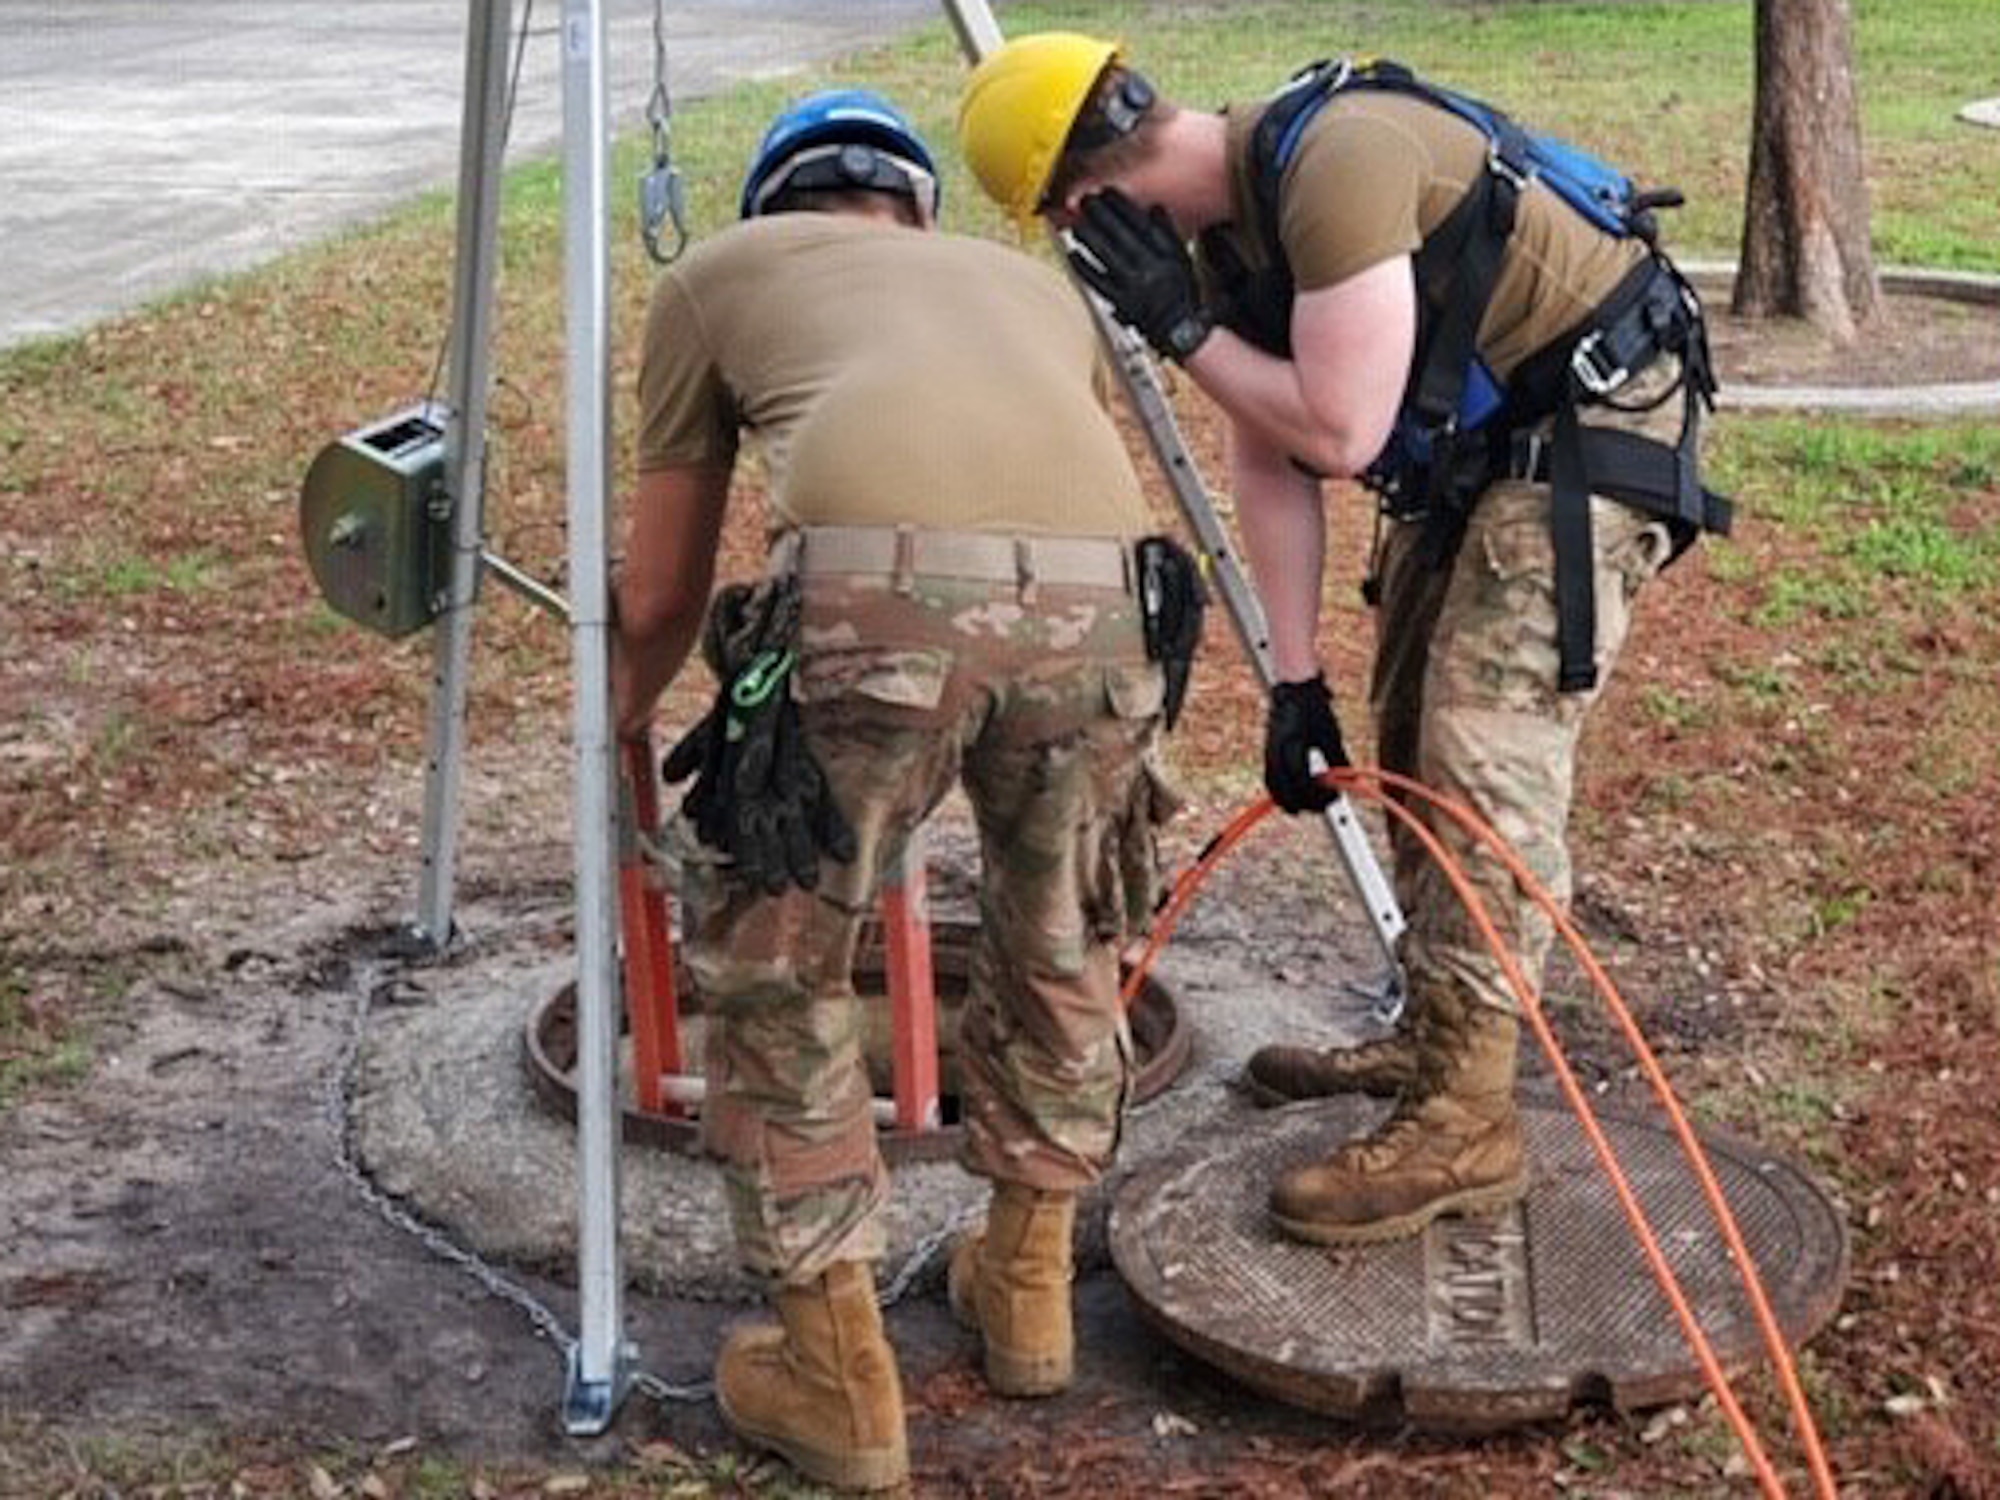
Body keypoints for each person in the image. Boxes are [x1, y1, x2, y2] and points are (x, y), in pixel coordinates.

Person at [958, 36, 1725, 1247]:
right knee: (1410, 738)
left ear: (1081, 204)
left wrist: (1176, 329)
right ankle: (1434, 1036)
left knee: (1480, 758)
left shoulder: (1336, 162)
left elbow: (1333, 423)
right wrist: (1294, 681)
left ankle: (1468, 1121)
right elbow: (1265, 457)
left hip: (1589, 436)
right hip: (1483, 460)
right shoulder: (1229, 242)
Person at [612, 89, 1185, 1492]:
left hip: (871, 599)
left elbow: (668, 590)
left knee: (780, 953)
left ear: (771, 206)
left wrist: (611, 721)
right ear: (918, 210)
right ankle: (1029, 1288)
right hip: (1110, 602)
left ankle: (837, 1375)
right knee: (1063, 932)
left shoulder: (715, 276)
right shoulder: (1025, 287)